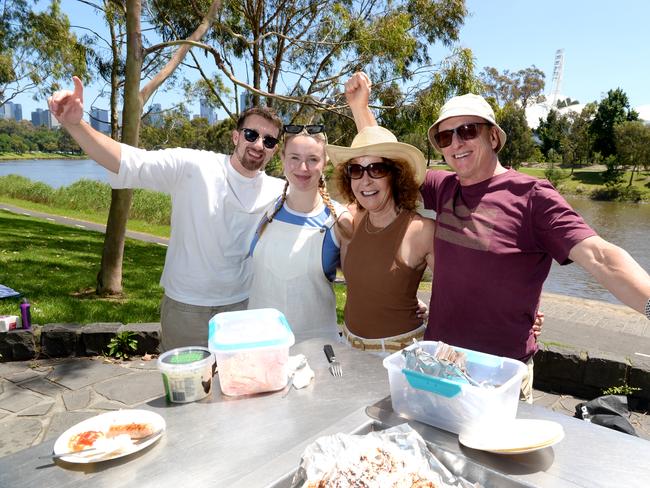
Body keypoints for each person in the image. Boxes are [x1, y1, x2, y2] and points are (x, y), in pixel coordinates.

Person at [347, 73, 650, 401]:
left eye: (467, 131)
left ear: (493, 137)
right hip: (441, 365)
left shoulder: (532, 196)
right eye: (445, 137)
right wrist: (359, 107)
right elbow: (382, 157)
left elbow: (600, 256)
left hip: (500, 374)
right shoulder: (442, 187)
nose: (456, 144)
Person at [48, 77, 285, 351]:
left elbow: (324, 204)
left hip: (241, 306)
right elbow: (128, 161)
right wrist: (75, 125)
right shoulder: (193, 166)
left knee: (237, 387)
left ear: (274, 150)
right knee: (187, 388)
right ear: (236, 136)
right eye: (251, 135)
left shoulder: (279, 191)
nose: (258, 145)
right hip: (186, 307)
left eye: (268, 141)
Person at [326, 125, 435, 353]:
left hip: (400, 355)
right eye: (356, 170)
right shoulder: (350, 219)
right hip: (349, 347)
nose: (365, 180)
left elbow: (458, 294)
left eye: (376, 169)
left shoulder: (421, 230)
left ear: (396, 175)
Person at [247, 125, 352, 339]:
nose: (302, 168)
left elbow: (362, 284)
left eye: (313, 159)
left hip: (317, 352)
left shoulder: (339, 221)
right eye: (294, 158)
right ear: (283, 158)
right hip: (260, 345)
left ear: (325, 162)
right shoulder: (265, 208)